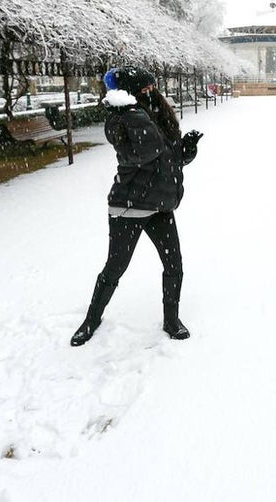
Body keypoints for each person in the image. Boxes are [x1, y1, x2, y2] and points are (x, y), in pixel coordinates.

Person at [70, 65, 203, 346]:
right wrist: (133, 113)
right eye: (144, 88)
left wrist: (186, 149)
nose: (151, 92)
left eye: (152, 87)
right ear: (129, 93)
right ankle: (91, 319)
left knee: (174, 264)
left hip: (159, 205)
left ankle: (171, 320)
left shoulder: (152, 115)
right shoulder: (119, 120)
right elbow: (145, 153)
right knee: (115, 268)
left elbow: (167, 157)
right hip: (128, 206)